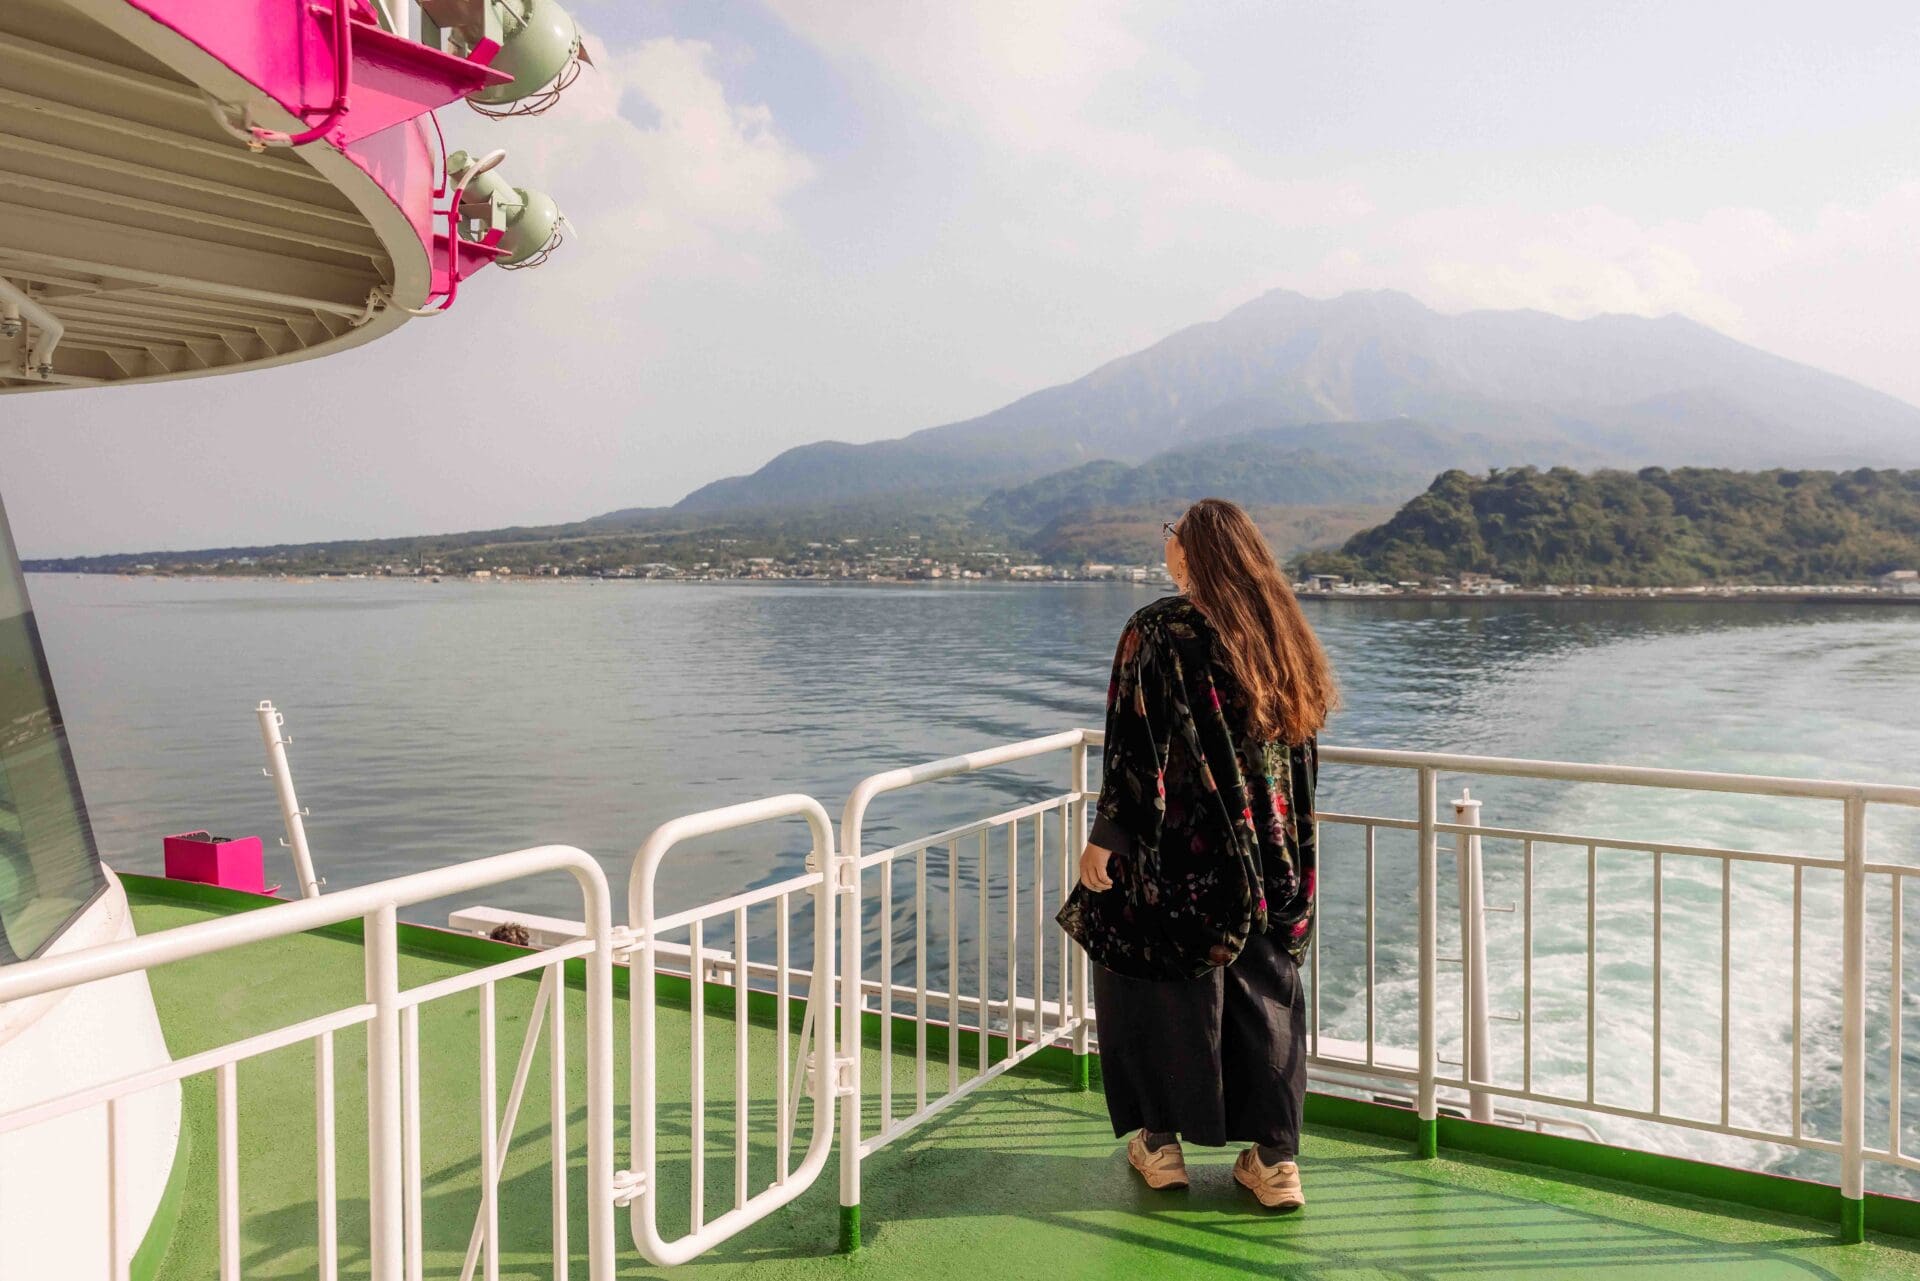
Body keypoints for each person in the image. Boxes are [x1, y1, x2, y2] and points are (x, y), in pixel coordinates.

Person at [1056, 498, 1336, 1212]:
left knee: (1146, 981)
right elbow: (1300, 754)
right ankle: (1275, 1162)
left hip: (1177, 855)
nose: (1167, 542)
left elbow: (1135, 744)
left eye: (1173, 532)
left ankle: (1160, 1143)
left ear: (1197, 550)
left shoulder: (1158, 630)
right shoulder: (1280, 632)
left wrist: (1106, 839)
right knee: (1264, 998)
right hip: (1269, 855)